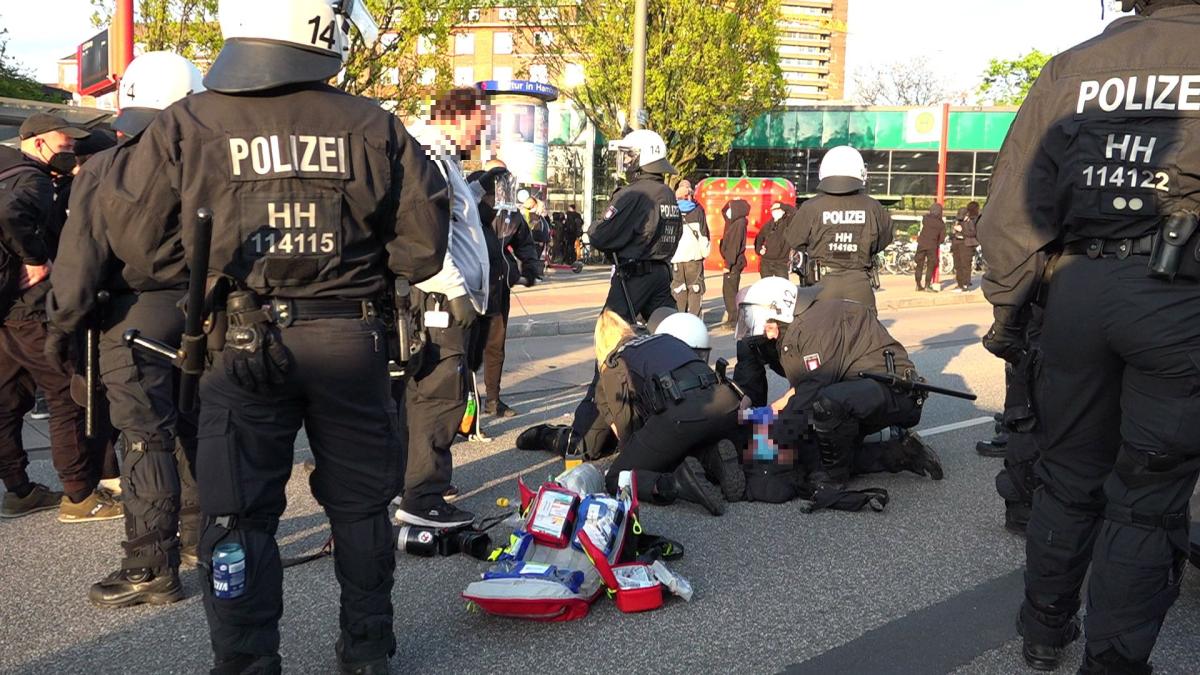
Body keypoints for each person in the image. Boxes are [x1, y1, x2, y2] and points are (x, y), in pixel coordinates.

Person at [98, 1, 450, 671]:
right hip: (351, 340)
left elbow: (139, 250)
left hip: (238, 345)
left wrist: (211, 278)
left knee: (236, 517)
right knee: (361, 507)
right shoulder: (373, 124)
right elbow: (422, 250)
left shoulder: (187, 124)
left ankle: (246, 660)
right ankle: (368, 649)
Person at [978, 3, 1200, 672]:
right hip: (1178, 299)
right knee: (1146, 497)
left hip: (1076, 290)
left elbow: (1014, 206)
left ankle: (1044, 632)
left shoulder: (1072, 67)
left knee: (1067, 475)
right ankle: (1111, 661)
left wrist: (1011, 311)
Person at [47, 51, 206, 608]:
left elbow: (79, 263)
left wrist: (61, 327)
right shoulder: (214, 160)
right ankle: (199, 539)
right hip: (203, 312)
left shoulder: (108, 167)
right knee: (192, 427)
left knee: (144, 438)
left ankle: (150, 565)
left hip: (131, 317)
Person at [0, 113, 123, 524]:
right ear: (36, 143)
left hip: (7, 306)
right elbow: (11, 215)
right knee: (67, 395)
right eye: (63, 145)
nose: (68, 153)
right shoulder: (31, 180)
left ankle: (18, 490)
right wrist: (36, 259)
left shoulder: (10, 171)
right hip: (34, 308)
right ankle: (79, 496)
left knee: (8, 399)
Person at [535, 129, 682, 462]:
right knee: (669, 345)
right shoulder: (666, 193)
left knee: (609, 354)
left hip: (632, 279)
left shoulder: (633, 194)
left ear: (641, 157)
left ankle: (585, 435)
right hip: (661, 276)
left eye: (629, 154)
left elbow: (600, 235)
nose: (625, 160)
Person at [395, 87, 490, 529]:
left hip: (440, 297)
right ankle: (424, 499)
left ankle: (414, 485)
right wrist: (455, 290)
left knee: (425, 395)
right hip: (439, 301)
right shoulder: (429, 158)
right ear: (457, 117)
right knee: (438, 396)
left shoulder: (442, 160)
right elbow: (424, 237)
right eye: (479, 122)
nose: (482, 132)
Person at [769, 286, 942, 492]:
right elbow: (806, 384)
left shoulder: (815, 326)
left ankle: (834, 478)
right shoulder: (810, 320)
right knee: (813, 451)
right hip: (871, 391)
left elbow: (813, 390)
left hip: (893, 391)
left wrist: (773, 437)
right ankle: (900, 453)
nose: (767, 335)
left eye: (768, 326)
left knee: (826, 405)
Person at [593, 310, 743, 515]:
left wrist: (632, 458)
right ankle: (715, 457)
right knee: (681, 441)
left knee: (617, 478)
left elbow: (625, 424)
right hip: (726, 403)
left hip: (681, 413)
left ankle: (677, 482)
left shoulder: (615, 362)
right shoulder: (664, 338)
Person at [466, 161, 540, 419]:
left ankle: (493, 400)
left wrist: (530, 270)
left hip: (498, 286)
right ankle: (465, 407)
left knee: (495, 346)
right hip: (471, 288)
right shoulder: (468, 200)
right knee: (467, 348)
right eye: (496, 176)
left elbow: (524, 242)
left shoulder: (511, 212)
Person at [785, 146, 893, 310]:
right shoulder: (873, 207)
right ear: (861, 172)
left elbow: (794, 238)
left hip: (821, 287)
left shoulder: (811, 207)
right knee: (864, 334)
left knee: (818, 335)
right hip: (860, 285)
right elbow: (885, 238)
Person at [670, 179, 710, 316]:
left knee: (678, 289)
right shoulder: (698, 211)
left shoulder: (671, 211)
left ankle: (679, 318)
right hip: (694, 257)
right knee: (695, 288)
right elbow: (704, 235)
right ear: (689, 195)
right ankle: (694, 319)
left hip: (676, 258)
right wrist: (705, 252)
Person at [719, 199, 749, 322]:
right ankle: (733, 316)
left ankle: (734, 319)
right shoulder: (735, 223)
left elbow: (734, 246)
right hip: (733, 262)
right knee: (729, 290)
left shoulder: (738, 224)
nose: (728, 212)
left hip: (733, 263)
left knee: (730, 292)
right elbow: (724, 211)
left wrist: (728, 264)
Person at [756, 201, 795, 280]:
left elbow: (795, 212)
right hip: (766, 262)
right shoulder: (767, 225)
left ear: (783, 211)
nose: (775, 212)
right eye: (773, 210)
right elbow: (759, 238)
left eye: (777, 209)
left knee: (782, 287)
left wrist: (782, 205)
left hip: (781, 263)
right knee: (766, 287)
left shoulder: (788, 222)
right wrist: (759, 249)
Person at [914, 202, 945, 292]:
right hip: (932, 245)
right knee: (930, 265)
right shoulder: (941, 224)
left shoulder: (925, 219)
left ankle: (918, 284)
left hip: (921, 244)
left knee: (919, 264)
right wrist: (937, 242)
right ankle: (927, 285)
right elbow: (942, 238)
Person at [951, 202, 980, 292]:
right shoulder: (957, 221)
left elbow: (973, 233)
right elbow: (952, 233)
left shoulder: (970, 222)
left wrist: (962, 230)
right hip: (957, 244)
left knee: (965, 265)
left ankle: (965, 284)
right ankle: (959, 284)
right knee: (957, 265)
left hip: (966, 245)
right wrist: (954, 230)